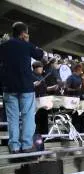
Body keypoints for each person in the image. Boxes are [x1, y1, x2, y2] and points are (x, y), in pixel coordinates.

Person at [0, 22, 44, 153]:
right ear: (24, 33)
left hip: (8, 87)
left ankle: (14, 146)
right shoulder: (27, 45)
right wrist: (28, 41)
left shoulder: (3, 46)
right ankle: (26, 145)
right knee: (27, 116)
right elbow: (40, 54)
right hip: (26, 87)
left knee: (12, 118)